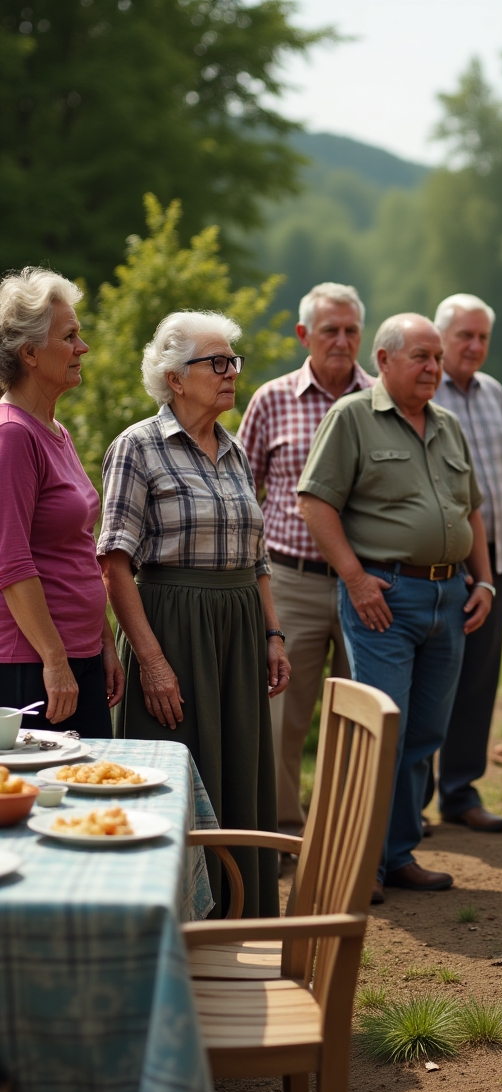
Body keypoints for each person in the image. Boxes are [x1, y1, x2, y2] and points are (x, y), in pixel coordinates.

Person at [98, 311, 291, 919]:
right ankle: (179, 933)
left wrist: (273, 633)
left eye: (233, 360)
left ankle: (245, 921)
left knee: (240, 772)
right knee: (180, 777)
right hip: (174, 629)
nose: (232, 372)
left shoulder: (234, 451)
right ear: (175, 378)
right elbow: (114, 561)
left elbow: (257, 556)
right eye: (217, 362)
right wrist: (151, 661)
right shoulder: (137, 447)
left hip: (238, 631)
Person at [297, 313, 494, 903]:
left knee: (425, 734)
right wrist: (355, 580)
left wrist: (483, 582)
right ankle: (360, 867)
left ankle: (398, 854)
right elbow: (314, 503)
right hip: (384, 598)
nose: (435, 368)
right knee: (381, 730)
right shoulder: (351, 418)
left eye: (437, 358)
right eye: (422, 358)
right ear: (383, 361)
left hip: (449, 598)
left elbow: (471, 511)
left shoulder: (449, 425)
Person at [239, 282, 374, 838]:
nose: (341, 341)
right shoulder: (271, 399)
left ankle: (346, 843)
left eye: (350, 331)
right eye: (329, 331)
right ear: (304, 336)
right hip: (291, 580)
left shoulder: (381, 400)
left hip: (369, 587)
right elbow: (242, 492)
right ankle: (281, 835)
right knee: (279, 719)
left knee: (361, 720)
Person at [428, 293, 502, 833]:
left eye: (482, 338)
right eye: (464, 337)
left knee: (479, 678)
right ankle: (412, 801)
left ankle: (460, 791)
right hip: (444, 556)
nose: (474, 347)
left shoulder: (494, 392)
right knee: (433, 679)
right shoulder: (425, 392)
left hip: (495, 555)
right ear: (441, 337)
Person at [0, 268, 123, 736]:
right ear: (29, 352)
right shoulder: (12, 435)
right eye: (69, 336)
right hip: (33, 663)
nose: (83, 347)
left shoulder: (56, 430)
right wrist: (55, 660)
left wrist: (103, 640)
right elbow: (10, 564)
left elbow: (78, 550)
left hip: (78, 655)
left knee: (88, 795)